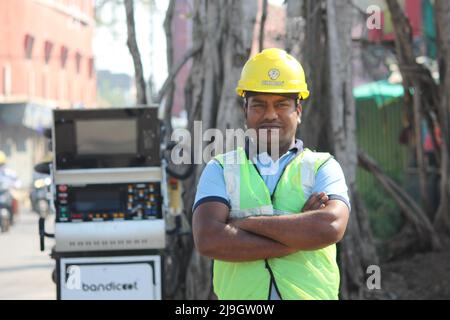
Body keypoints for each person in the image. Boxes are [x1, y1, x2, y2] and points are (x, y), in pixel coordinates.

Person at [192, 48, 350, 300]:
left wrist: (242, 224)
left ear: (298, 111)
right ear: (245, 111)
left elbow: (329, 226)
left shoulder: (322, 166)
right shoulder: (220, 169)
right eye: (258, 105)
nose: (270, 115)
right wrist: (299, 231)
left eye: (281, 104)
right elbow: (209, 239)